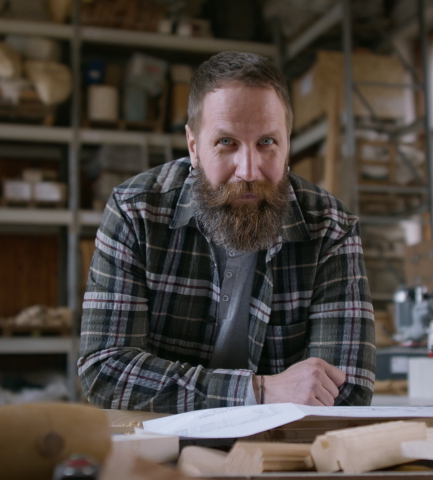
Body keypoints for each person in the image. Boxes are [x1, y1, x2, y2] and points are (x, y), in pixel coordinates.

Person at [78, 51, 375, 413]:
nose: (248, 170)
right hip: (159, 447)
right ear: (193, 147)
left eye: (267, 142)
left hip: (277, 452)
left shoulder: (331, 226)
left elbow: (349, 389)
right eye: (226, 143)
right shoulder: (135, 211)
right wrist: (256, 391)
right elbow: (103, 370)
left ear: (287, 143)